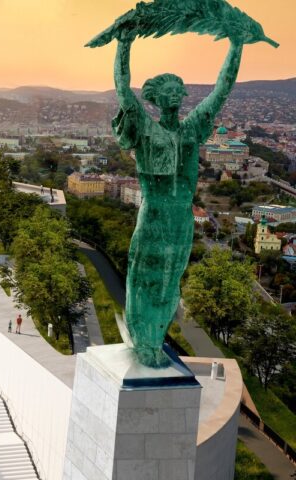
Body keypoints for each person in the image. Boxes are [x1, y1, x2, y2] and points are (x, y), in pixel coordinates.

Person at [111, 28, 245, 367]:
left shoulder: (192, 128)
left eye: (177, 90)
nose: (174, 94)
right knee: (145, 276)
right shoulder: (145, 127)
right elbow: (123, 90)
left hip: (181, 217)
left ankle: (154, 340)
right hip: (154, 213)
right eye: (167, 91)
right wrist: (124, 44)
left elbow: (222, 89)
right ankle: (143, 340)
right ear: (156, 98)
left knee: (171, 281)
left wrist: (236, 44)